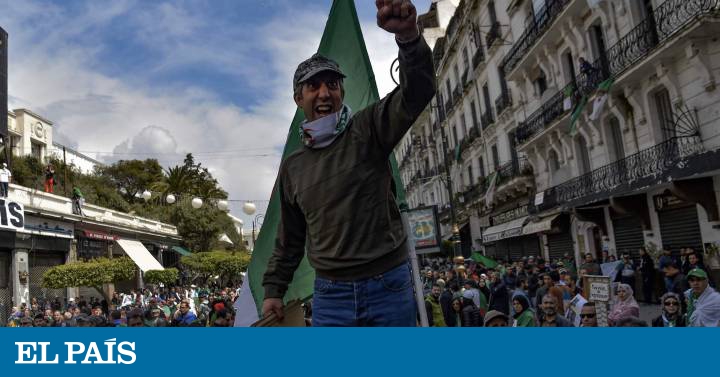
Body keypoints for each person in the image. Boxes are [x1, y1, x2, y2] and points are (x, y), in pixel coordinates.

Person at [262, 0, 435, 327]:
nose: (324, 93)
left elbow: (418, 92)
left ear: (342, 90)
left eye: (333, 84)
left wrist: (409, 38)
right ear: (299, 99)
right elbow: (290, 240)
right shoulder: (293, 167)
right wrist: (274, 289)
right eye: (313, 86)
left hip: (389, 285)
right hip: (331, 295)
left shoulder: (368, 127)